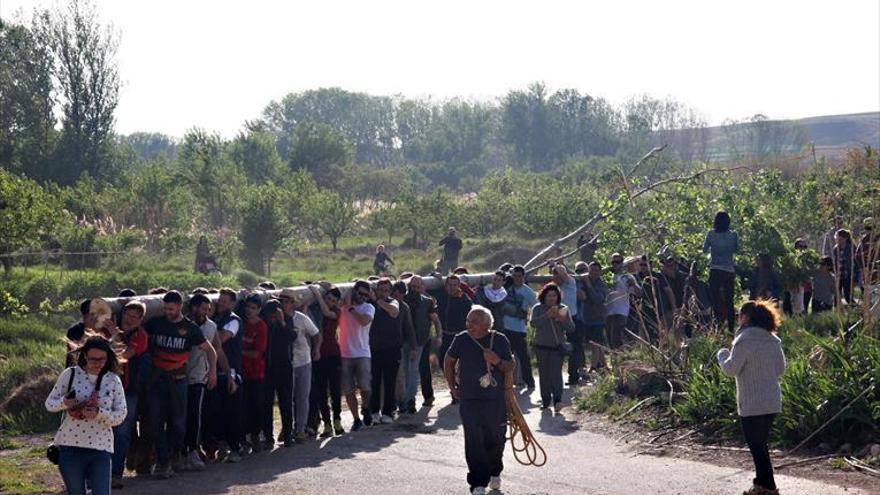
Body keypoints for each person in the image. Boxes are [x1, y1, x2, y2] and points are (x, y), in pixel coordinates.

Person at [144, 290, 217, 478]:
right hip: (157, 381)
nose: (168, 312)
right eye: (165, 308)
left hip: (178, 382)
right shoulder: (156, 324)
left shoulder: (190, 328)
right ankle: (162, 462)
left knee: (178, 425)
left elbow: (210, 351)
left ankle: (174, 453)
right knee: (157, 422)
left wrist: (213, 372)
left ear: (180, 307)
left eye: (171, 309)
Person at [717, 300, 786, 495]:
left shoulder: (743, 340)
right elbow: (780, 369)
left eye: (739, 314)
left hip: (752, 402)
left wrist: (722, 355)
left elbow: (731, 369)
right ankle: (761, 485)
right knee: (760, 445)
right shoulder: (773, 340)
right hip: (772, 401)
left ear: (746, 317)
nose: (738, 318)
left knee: (757, 447)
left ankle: (768, 487)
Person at [444, 306, 514, 495]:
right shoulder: (461, 339)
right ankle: (478, 482)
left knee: (495, 438)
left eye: (474, 321)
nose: (469, 325)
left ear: (487, 324)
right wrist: (452, 387)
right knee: (474, 439)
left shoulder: (499, 339)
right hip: (469, 398)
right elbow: (448, 361)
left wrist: (497, 361)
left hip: (495, 399)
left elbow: (510, 366)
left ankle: (494, 471)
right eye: (468, 321)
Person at [45, 336, 127, 495]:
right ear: (84, 356)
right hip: (70, 448)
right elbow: (49, 404)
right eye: (93, 359)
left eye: (102, 359)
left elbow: (121, 415)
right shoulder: (70, 374)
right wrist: (65, 403)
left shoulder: (113, 380)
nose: (97, 363)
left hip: (101, 449)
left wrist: (99, 413)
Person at [184, 293, 229, 470]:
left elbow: (217, 349)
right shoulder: (184, 324)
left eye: (208, 310)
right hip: (179, 376)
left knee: (195, 415)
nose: (206, 313)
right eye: (203, 309)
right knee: (180, 416)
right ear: (194, 308)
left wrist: (222, 372)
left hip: (198, 376)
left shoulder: (211, 326)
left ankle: (193, 451)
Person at [110, 301, 148, 488]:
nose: (130, 319)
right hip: (106, 391)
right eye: (128, 315)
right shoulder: (108, 332)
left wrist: (114, 334)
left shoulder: (140, 335)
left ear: (140, 320)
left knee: (122, 432)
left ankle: (116, 474)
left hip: (128, 392)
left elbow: (124, 356)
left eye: (135, 317)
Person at [207, 288, 243, 463]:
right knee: (216, 411)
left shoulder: (234, 320)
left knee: (232, 412)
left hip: (230, 371)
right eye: (220, 300)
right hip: (213, 371)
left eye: (225, 301)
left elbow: (219, 340)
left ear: (232, 304)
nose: (221, 303)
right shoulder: (214, 318)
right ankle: (221, 445)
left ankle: (235, 448)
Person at [530, 283, 575, 412]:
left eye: (554, 296)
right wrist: (547, 316)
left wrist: (562, 319)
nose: (552, 298)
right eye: (549, 295)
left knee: (556, 374)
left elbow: (571, 328)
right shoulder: (537, 308)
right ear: (544, 296)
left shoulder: (563, 308)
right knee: (544, 375)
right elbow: (533, 324)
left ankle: (557, 400)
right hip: (541, 346)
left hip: (557, 347)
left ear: (558, 297)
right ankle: (545, 400)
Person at [284, 290, 322, 442]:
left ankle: (300, 429)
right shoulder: (276, 318)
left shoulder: (301, 318)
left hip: (303, 360)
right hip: (286, 363)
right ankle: (288, 428)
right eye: (282, 300)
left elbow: (316, 334)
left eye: (286, 301)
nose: (283, 303)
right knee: (288, 397)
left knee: (302, 396)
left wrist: (316, 349)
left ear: (293, 304)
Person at [307, 285, 345, 437]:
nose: (329, 302)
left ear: (336, 303)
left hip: (333, 354)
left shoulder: (336, 311)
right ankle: (327, 424)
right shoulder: (316, 310)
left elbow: (327, 312)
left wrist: (317, 293)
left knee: (335, 390)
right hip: (318, 356)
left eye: (332, 300)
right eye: (327, 298)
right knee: (321, 392)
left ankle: (337, 420)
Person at [338, 280, 375, 430]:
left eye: (366, 295)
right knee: (348, 389)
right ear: (354, 291)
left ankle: (365, 407)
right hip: (345, 353)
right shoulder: (343, 306)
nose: (363, 297)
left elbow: (364, 321)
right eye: (360, 293)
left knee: (365, 386)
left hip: (362, 353)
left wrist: (351, 308)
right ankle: (356, 419)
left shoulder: (369, 307)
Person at [261, 296, 296, 446]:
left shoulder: (286, 321)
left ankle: (288, 434)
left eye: (275, 315)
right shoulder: (263, 324)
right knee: (266, 405)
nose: (272, 318)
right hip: (267, 368)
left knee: (286, 403)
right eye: (270, 315)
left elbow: (292, 336)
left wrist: (282, 322)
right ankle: (269, 437)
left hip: (284, 367)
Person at [404, 275, 443, 407]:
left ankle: (417, 399)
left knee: (419, 369)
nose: (415, 289)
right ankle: (405, 400)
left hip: (421, 339)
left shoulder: (428, 302)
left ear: (423, 287)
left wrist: (439, 336)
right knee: (405, 371)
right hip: (405, 340)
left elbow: (436, 321)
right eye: (412, 287)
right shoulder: (403, 300)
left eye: (418, 286)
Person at [368, 278, 402, 423]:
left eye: (387, 290)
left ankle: (388, 412)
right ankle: (374, 411)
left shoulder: (393, 302)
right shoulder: (370, 304)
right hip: (374, 348)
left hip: (392, 349)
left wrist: (378, 301)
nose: (384, 293)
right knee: (374, 382)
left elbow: (394, 312)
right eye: (381, 290)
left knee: (390, 382)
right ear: (376, 290)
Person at [435, 275, 473, 403]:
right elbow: (426, 289)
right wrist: (434, 276)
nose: (452, 287)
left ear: (458, 286)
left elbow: (470, 318)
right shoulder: (441, 296)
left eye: (454, 285)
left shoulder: (464, 299)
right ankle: (454, 387)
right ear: (446, 286)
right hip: (445, 335)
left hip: (460, 336)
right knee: (443, 362)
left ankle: (458, 391)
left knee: (461, 365)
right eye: (449, 285)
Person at [703, 211, 740, 332]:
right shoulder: (734, 235)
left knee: (715, 299)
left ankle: (717, 326)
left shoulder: (711, 234)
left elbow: (704, 250)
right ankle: (730, 328)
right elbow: (737, 250)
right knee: (729, 300)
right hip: (729, 270)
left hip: (715, 269)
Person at [501, 266, 537, 390]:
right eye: (515, 276)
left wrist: (532, 320)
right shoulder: (506, 287)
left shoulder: (528, 292)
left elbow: (536, 307)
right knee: (504, 357)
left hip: (519, 329)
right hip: (504, 328)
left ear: (523, 276)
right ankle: (505, 383)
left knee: (523, 358)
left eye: (519, 276)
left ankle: (530, 382)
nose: (517, 279)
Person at [241, 295, 269, 450]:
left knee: (256, 405)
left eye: (253, 308)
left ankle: (256, 435)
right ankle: (245, 437)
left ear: (259, 310)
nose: (249, 311)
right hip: (242, 372)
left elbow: (258, 353)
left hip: (256, 373)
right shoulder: (241, 323)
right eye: (248, 307)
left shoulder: (261, 326)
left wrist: (239, 352)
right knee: (243, 406)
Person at [391, 281, 419, 415]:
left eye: (401, 294)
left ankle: (402, 402)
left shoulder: (404, 307)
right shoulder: (385, 305)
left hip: (399, 346)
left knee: (400, 376)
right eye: (395, 293)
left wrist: (413, 347)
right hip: (384, 346)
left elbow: (409, 328)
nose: (398, 296)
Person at [606, 253, 640, 348]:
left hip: (621, 311)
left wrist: (634, 284)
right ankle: (615, 358)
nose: (615, 264)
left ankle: (621, 357)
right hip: (607, 311)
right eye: (613, 262)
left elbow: (639, 293)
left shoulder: (627, 277)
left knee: (616, 337)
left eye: (618, 262)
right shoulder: (607, 276)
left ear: (622, 263)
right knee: (610, 338)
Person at [581, 261, 610, 372]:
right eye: (591, 270)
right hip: (587, 318)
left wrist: (588, 285)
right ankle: (605, 366)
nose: (594, 272)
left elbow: (597, 299)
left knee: (596, 343)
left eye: (596, 270)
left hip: (599, 318)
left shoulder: (602, 284)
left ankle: (593, 367)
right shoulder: (582, 281)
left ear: (600, 272)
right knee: (596, 344)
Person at [66, 300, 96, 367]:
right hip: (78, 370)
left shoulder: (103, 329)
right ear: (84, 316)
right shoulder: (75, 330)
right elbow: (75, 352)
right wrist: (88, 330)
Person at [832, 229, 858, 305]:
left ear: (845, 238)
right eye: (837, 238)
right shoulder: (835, 249)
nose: (837, 240)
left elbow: (856, 264)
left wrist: (855, 277)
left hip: (848, 276)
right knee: (836, 297)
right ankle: (837, 313)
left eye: (839, 238)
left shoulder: (852, 248)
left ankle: (855, 309)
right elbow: (834, 262)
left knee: (848, 297)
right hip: (838, 276)